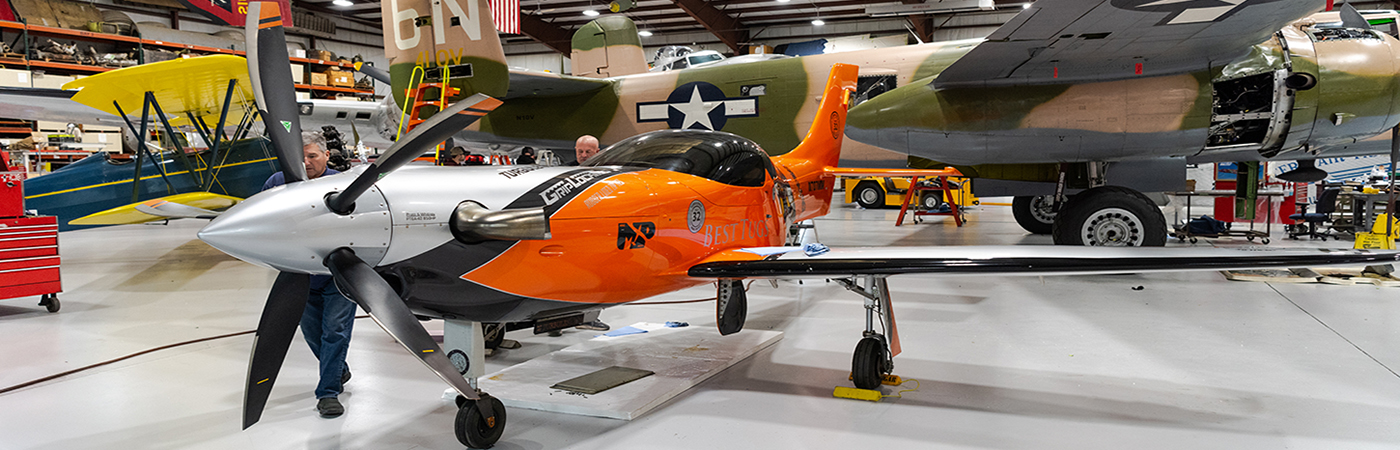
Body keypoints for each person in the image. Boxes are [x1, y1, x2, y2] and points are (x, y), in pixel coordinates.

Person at [261, 131, 356, 418]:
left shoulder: (345, 184)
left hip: (339, 275)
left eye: (312, 155)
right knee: (312, 333)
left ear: (327, 156)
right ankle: (338, 368)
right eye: (299, 157)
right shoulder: (276, 183)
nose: (306, 162)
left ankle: (327, 393)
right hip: (299, 276)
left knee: (335, 332)